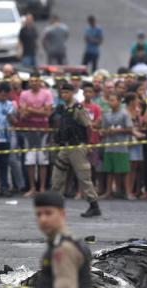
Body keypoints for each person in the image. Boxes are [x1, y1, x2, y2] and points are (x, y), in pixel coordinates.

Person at [51, 83, 101, 218]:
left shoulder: (78, 108)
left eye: (66, 93)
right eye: (62, 93)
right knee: (57, 176)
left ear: (72, 93)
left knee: (84, 177)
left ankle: (94, 205)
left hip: (77, 147)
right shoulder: (62, 108)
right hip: (65, 146)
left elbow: (88, 126)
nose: (63, 95)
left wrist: (88, 144)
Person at [19, 72, 53, 197]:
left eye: (36, 80)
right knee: (30, 160)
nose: (34, 83)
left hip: (43, 129)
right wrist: (40, 111)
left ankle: (42, 187)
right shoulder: (24, 94)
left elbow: (48, 113)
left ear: (40, 81)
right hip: (29, 129)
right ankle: (33, 188)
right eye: (31, 80)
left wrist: (31, 110)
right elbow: (22, 114)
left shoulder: (47, 93)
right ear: (29, 82)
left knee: (43, 160)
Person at [99, 93, 133, 199]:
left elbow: (130, 129)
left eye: (113, 100)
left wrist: (119, 130)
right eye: (109, 100)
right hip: (109, 146)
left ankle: (128, 192)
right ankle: (108, 192)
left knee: (125, 170)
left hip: (121, 146)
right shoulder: (106, 114)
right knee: (109, 170)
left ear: (119, 101)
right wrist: (105, 132)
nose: (111, 102)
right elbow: (102, 129)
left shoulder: (124, 114)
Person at [124, 92, 145, 200]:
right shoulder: (124, 112)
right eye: (137, 99)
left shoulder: (137, 112)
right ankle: (127, 191)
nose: (138, 102)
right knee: (129, 167)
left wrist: (139, 115)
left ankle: (131, 190)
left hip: (137, 140)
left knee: (135, 166)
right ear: (131, 101)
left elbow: (140, 126)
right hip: (128, 141)